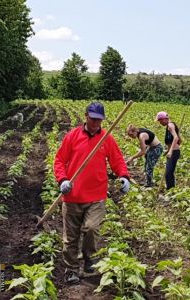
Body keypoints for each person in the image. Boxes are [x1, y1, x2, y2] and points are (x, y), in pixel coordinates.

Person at [54, 102, 130, 285]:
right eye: (93, 118)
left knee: (91, 229)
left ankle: (89, 260)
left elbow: (117, 159)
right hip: (72, 197)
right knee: (70, 237)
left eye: (99, 120)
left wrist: (124, 175)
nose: (96, 123)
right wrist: (62, 179)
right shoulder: (72, 136)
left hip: (96, 196)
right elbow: (59, 160)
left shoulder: (106, 139)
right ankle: (71, 269)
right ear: (86, 116)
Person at [155, 111, 181, 190]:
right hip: (174, 151)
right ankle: (172, 189)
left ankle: (170, 190)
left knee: (168, 173)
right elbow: (179, 139)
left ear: (164, 119)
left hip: (174, 152)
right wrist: (168, 150)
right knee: (170, 172)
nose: (160, 123)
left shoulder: (170, 125)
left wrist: (170, 151)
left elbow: (176, 138)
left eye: (160, 120)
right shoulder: (170, 125)